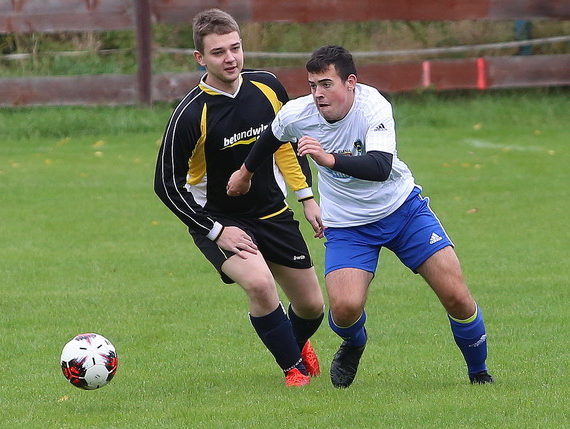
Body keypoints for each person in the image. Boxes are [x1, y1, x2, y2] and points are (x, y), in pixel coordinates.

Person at [228, 45, 494, 388]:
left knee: (456, 295)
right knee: (344, 309)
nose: (318, 94)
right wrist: (245, 174)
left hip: (403, 211)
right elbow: (270, 138)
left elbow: (381, 167)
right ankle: (355, 342)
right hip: (347, 225)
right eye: (312, 85)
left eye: (327, 84)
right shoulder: (298, 114)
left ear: (350, 82)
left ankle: (479, 373)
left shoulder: (373, 106)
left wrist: (328, 159)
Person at [153, 9, 325, 387]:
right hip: (220, 219)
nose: (230, 58)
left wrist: (306, 196)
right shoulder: (189, 114)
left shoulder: (267, 86)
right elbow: (166, 184)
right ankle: (293, 370)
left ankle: (292, 343)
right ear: (200, 58)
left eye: (235, 48)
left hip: (272, 212)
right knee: (260, 285)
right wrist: (216, 231)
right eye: (218, 52)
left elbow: (286, 143)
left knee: (312, 307)